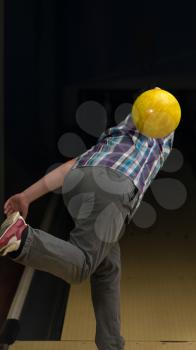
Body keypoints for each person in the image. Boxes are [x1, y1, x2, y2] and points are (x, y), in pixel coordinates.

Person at [0, 100, 174, 350]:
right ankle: (22, 239)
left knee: (107, 265)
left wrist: (26, 196)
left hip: (79, 182)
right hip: (113, 189)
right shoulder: (159, 140)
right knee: (82, 266)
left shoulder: (112, 139)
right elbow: (164, 118)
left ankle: (110, 343)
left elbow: (67, 169)